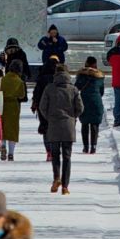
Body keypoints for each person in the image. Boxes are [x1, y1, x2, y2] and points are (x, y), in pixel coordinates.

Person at [37, 59, 83, 193]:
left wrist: (49, 118)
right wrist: (72, 116)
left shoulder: (49, 88)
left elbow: (42, 106)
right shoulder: (73, 89)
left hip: (54, 125)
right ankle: (65, 186)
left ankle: (56, 177)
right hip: (68, 125)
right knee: (67, 156)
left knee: (55, 154)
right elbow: (80, 107)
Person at [0, 48, 28, 161]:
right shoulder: (19, 81)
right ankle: (11, 153)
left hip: (2, 106)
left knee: (3, 128)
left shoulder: (2, 79)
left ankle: (3, 146)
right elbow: (21, 95)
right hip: (14, 106)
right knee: (13, 130)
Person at [76, 55, 105, 154]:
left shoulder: (81, 75)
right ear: (95, 64)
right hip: (96, 101)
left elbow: (77, 88)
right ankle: (93, 146)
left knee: (84, 124)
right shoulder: (100, 76)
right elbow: (101, 91)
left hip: (84, 100)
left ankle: (85, 147)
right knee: (94, 125)